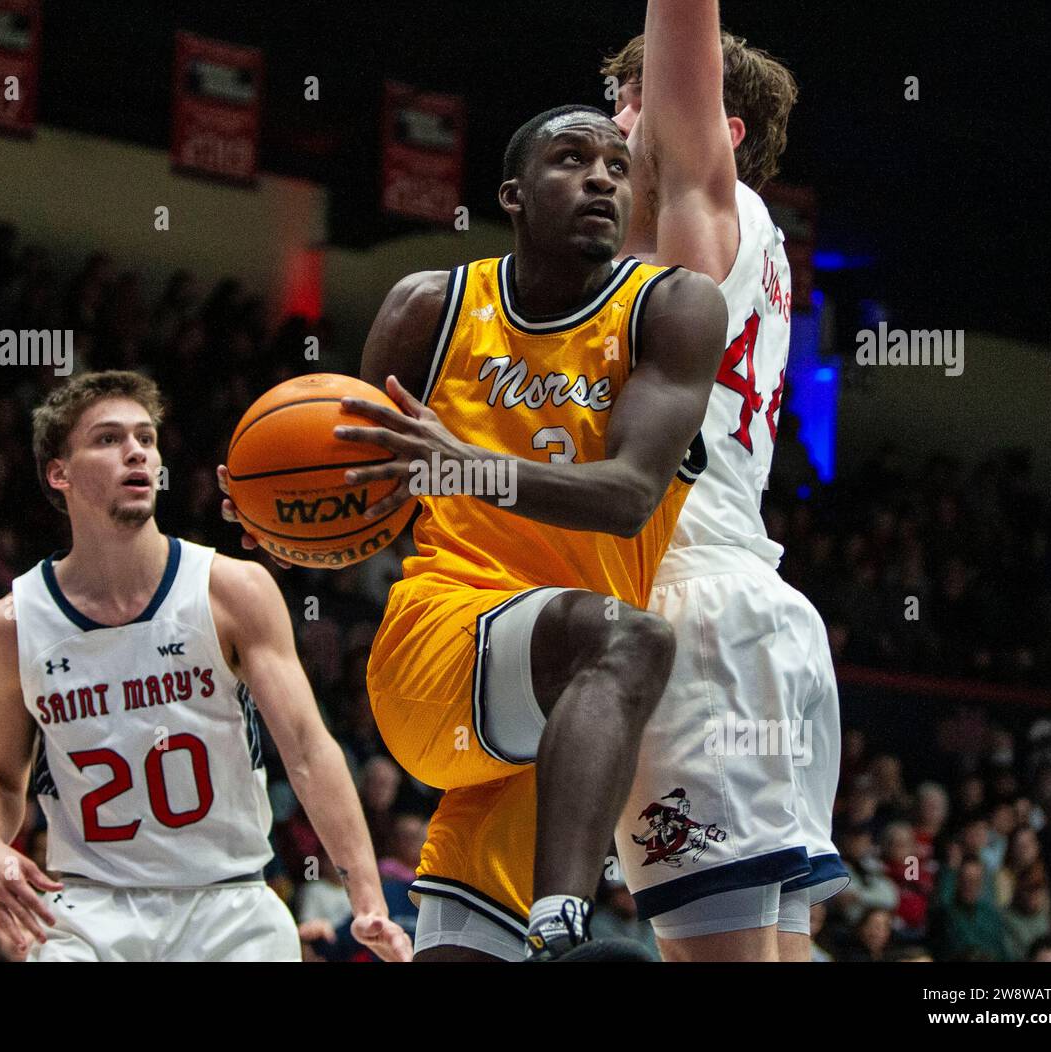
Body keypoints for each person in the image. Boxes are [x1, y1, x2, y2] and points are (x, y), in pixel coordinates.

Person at [221, 105, 725, 960]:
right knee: (632, 638)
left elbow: (630, 495)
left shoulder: (673, 310)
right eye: (572, 159)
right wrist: (290, 523)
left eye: (617, 166)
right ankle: (566, 925)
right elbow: (352, 484)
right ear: (514, 195)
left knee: (458, 947)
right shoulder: (430, 307)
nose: (603, 177)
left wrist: (467, 466)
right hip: (442, 645)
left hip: (562, 710)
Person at [0, 370, 410, 962]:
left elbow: (307, 748)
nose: (136, 452)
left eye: (146, 439)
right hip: (90, 909)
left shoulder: (232, 590)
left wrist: (367, 900)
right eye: (108, 439)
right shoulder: (13, 625)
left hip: (230, 906)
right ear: (59, 473)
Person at [598, 0, 844, 961]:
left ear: (715, 127)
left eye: (632, 105)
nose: (608, 126)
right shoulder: (727, 244)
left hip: (695, 615)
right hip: (751, 607)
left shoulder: (706, 202)